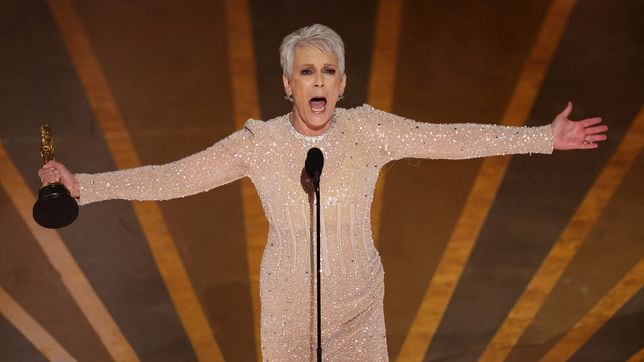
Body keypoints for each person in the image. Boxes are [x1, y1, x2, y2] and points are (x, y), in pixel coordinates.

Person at [39, 24, 607, 361]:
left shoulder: (369, 130)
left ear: (343, 84)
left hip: (360, 311)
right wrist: (84, 186)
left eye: (328, 71)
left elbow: (451, 139)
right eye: (306, 72)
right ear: (287, 85)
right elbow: (174, 177)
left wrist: (543, 138)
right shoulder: (258, 144)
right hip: (288, 317)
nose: (318, 81)